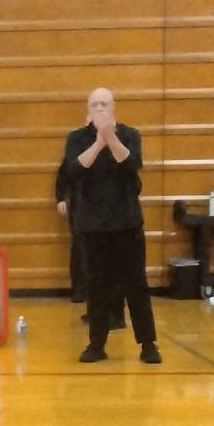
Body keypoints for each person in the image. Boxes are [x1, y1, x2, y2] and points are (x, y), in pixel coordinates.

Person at [59, 87, 161, 364]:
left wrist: (110, 137)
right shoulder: (77, 138)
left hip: (127, 222)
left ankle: (148, 343)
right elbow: (74, 169)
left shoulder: (130, 135)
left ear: (114, 107)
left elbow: (131, 164)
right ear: (88, 109)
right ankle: (96, 343)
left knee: (136, 284)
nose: (100, 108)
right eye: (95, 104)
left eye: (105, 104)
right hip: (92, 225)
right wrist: (98, 142)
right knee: (97, 286)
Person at [56, 145, 126, 329]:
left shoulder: (116, 152)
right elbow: (65, 174)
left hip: (111, 217)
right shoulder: (80, 150)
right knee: (90, 264)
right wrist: (61, 198)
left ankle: (116, 315)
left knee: (111, 265)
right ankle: (95, 310)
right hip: (87, 215)